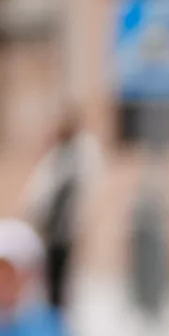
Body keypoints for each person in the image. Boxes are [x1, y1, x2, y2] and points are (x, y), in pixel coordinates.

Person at [22, 108, 101, 314]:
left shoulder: (78, 156)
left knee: (60, 281)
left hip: (63, 231)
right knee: (51, 280)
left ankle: (58, 316)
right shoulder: (58, 157)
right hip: (51, 231)